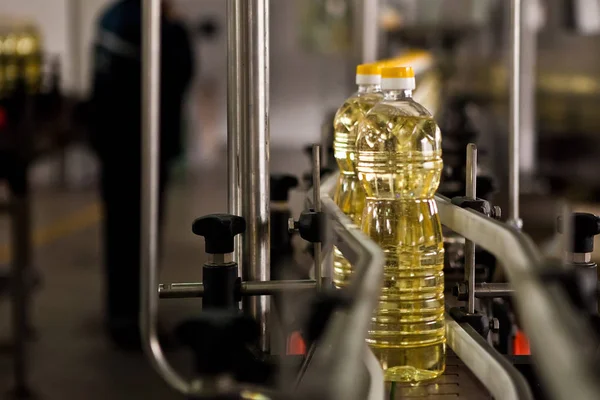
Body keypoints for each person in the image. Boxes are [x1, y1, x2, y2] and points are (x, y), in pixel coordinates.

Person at [89, 0, 194, 350]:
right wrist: (177, 26)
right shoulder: (158, 26)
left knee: (119, 231)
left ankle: (120, 313)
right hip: (144, 148)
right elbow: (181, 71)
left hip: (112, 145)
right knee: (143, 232)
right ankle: (136, 322)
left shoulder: (109, 18)